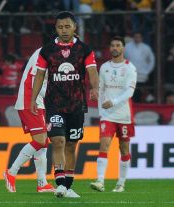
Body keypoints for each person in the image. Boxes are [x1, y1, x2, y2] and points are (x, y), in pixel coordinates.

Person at [30, 11, 99, 198]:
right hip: (54, 103)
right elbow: (39, 76)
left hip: (76, 104)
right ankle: (59, 183)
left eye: (67, 26)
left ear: (75, 27)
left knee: (71, 145)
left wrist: (95, 88)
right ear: (56, 28)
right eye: (60, 27)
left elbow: (92, 71)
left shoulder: (85, 49)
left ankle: (68, 186)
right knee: (58, 141)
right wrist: (32, 99)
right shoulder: (47, 50)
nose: (64, 30)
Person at [3, 48, 55, 193]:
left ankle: (42, 183)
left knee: (43, 143)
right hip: (30, 101)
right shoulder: (44, 53)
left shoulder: (50, 56)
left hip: (38, 102)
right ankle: (11, 172)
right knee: (39, 140)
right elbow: (35, 82)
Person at [90, 36, 137, 193]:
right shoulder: (104, 67)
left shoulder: (130, 68)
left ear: (123, 48)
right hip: (107, 115)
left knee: (124, 149)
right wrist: (101, 111)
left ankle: (121, 183)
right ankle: (100, 181)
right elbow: (101, 90)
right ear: (109, 48)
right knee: (104, 145)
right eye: (112, 45)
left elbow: (129, 91)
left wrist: (114, 101)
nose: (115, 48)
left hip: (124, 115)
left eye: (118, 45)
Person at [124, 32, 154, 103]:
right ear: (133, 38)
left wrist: (147, 71)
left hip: (142, 76)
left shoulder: (146, 48)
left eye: (139, 37)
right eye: (136, 37)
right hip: (129, 75)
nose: (137, 38)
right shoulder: (127, 47)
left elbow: (151, 60)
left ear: (141, 38)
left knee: (140, 93)